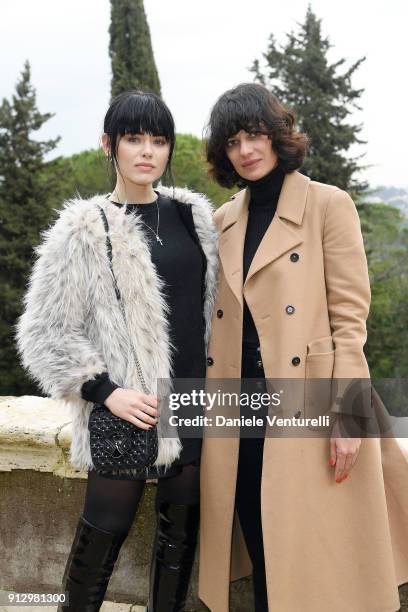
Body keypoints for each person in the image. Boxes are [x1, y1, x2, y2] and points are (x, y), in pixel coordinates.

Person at [198, 82, 408, 612]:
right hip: (236, 405)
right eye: (232, 142)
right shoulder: (224, 220)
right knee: (260, 534)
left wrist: (349, 414)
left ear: (277, 135)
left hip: (307, 402)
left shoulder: (327, 205)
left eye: (255, 135)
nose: (245, 150)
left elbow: (349, 322)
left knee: (308, 549)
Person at [15, 90, 218, 611]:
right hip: (128, 411)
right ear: (109, 144)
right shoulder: (84, 228)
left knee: (180, 545)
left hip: (195, 401)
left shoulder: (194, 218)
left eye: (158, 139)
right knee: (101, 539)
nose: (147, 151)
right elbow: (43, 331)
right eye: (133, 139)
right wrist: (106, 392)